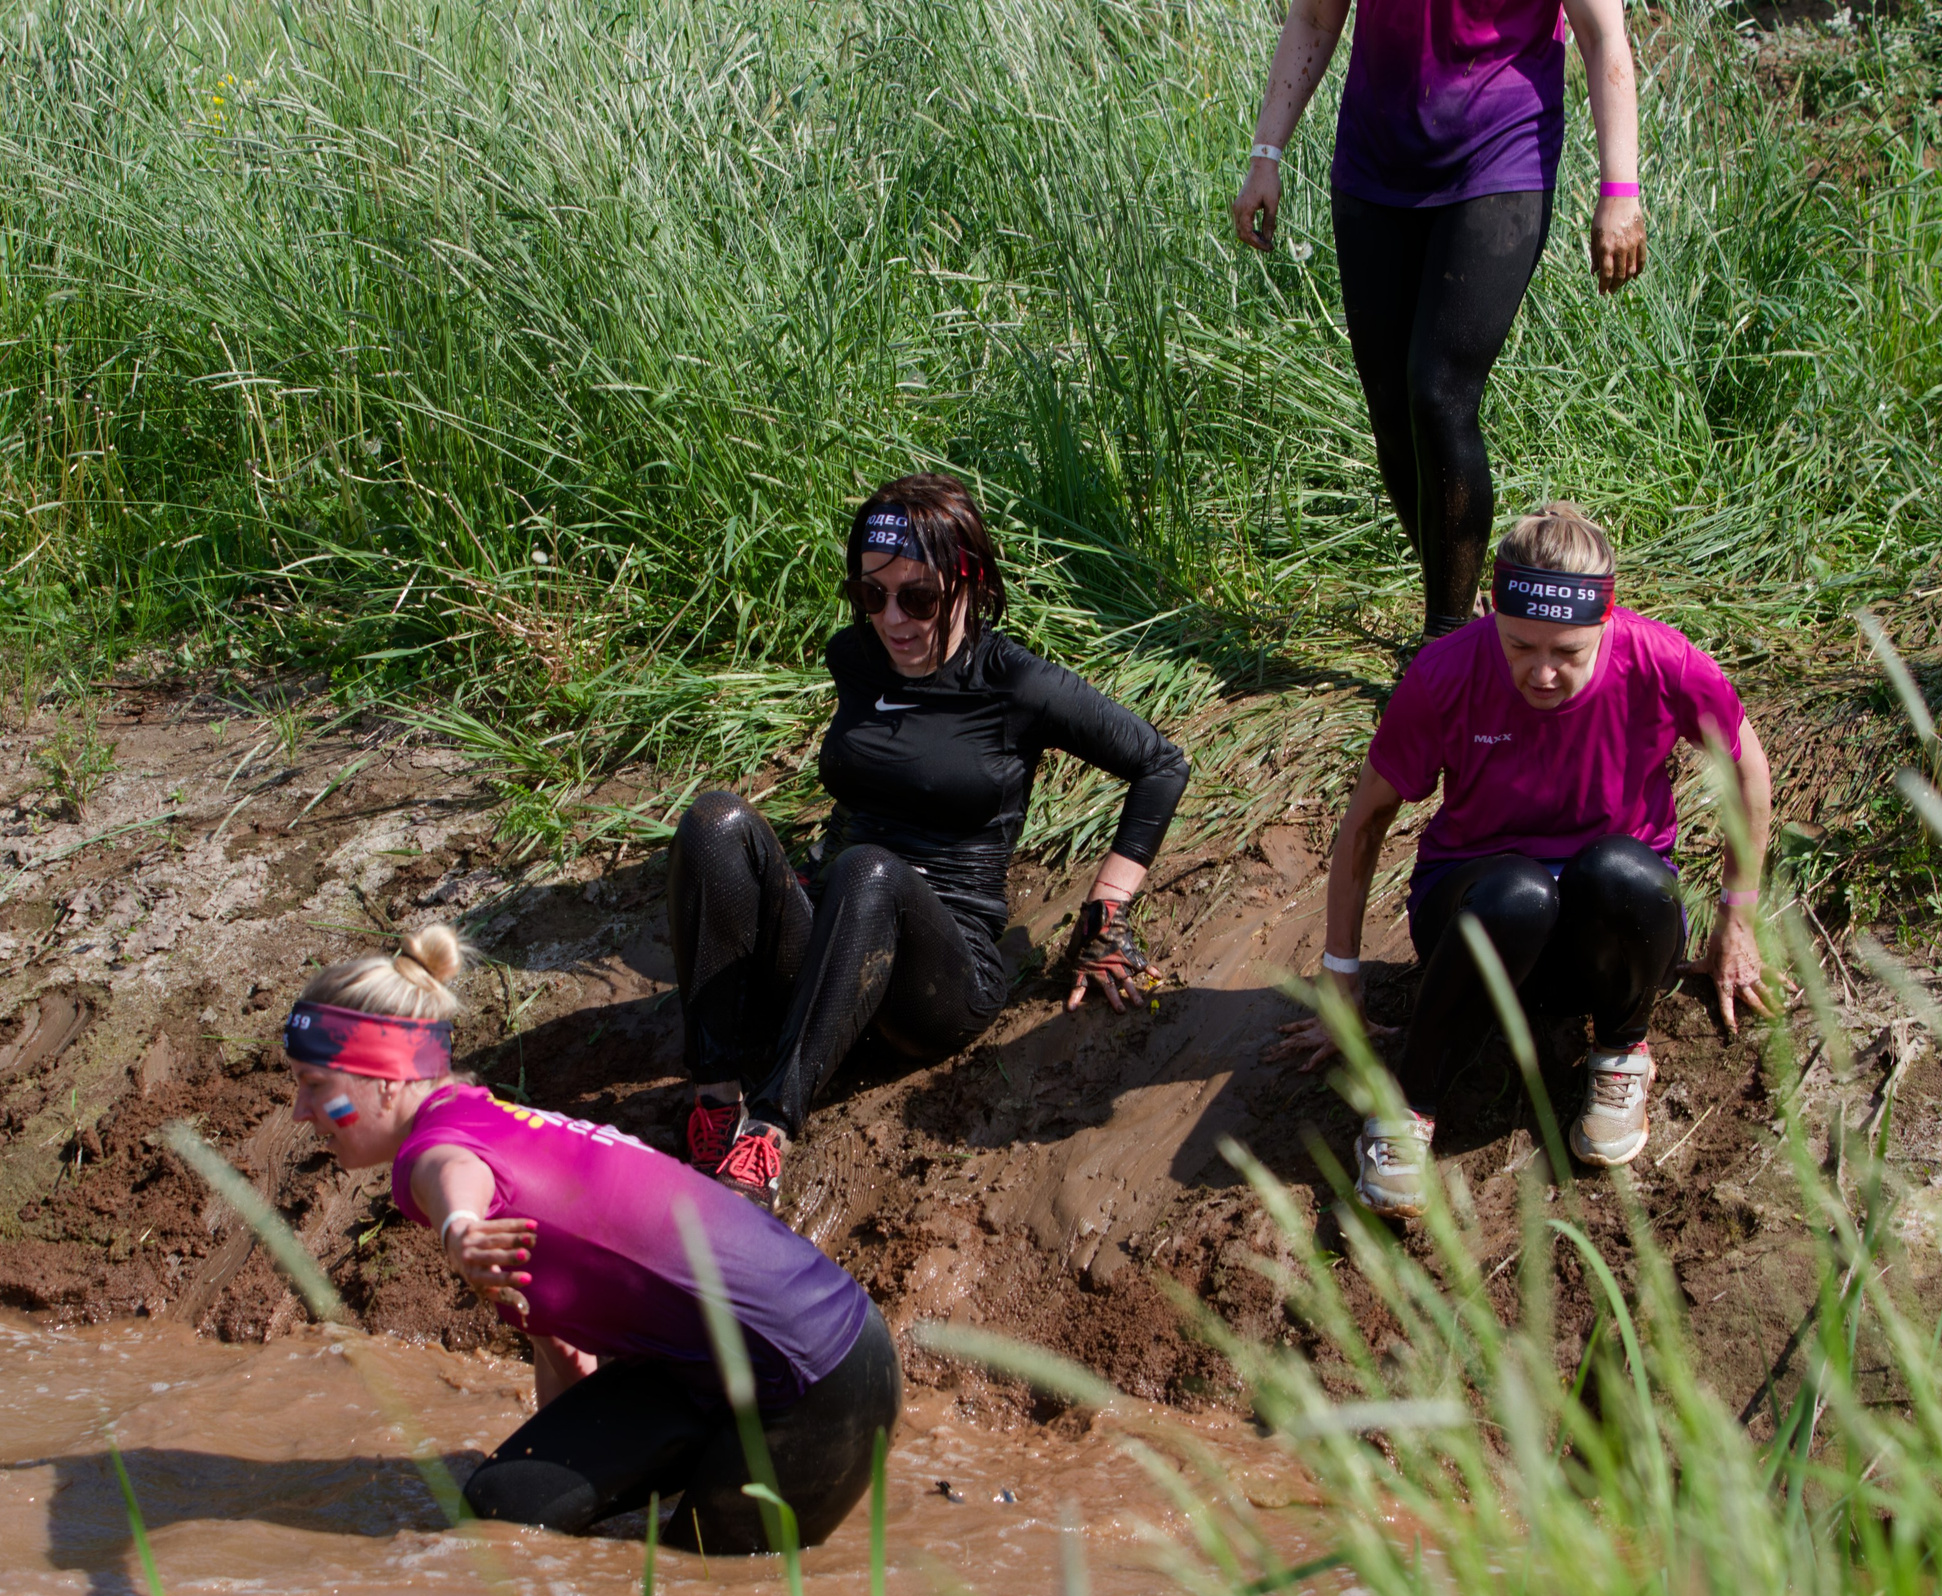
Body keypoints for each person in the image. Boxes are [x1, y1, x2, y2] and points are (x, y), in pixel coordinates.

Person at [282, 926, 901, 1554]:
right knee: (505, 1508)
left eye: (315, 1084)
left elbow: (452, 1173)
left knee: (701, 1579)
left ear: (386, 1079)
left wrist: (459, 1228)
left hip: (820, 1380)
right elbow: (564, 1351)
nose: (301, 1110)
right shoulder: (479, 1115)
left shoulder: (435, 1152)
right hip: (709, 1368)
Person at [668, 474, 1192, 1210]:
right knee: (714, 819)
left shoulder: (1015, 683)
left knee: (870, 870)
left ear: (968, 584)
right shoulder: (855, 659)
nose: (893, 619)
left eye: (917, 598)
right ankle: (715, 1098)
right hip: (831, 947)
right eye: (871, 595)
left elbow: (1161, 765)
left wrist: (1107, 913)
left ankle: (768, 1132)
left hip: (937, 980)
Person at [1268, 504, 1775, 1218]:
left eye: (1567, 652)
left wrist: (1737, 917)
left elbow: (1747, 768)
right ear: (1491, 610)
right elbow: (1366, 819)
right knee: (1520, 892)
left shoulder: (1660, 661)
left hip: (1613, 934)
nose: (1541, 673)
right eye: (1519, 645)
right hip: (1482, 919)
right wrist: (1342, 972)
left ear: (1607, 620)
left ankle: (1621, 1055)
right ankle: (1405, 1111)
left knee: (1620, 872)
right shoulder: (1446, 671)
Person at [1229, 0, 1646, 644]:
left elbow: (1601, 33)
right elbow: (1314, 19)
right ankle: (1460, 607)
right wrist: (1266, 154)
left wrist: (1620, 189)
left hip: (1501, 149)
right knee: (1393, 412)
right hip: (1375, 159)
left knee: (1438, 392)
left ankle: (1445, 643)